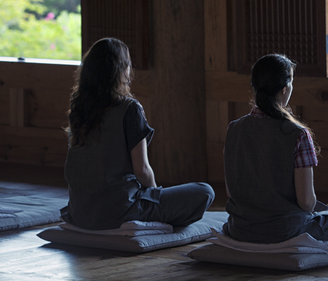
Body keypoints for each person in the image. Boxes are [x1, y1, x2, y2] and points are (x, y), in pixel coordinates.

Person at [223, 53, 328, 248]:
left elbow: (231, 192)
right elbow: (306, 203)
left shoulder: (234, 128)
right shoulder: (296, 134)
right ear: (285, 89)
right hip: (287, 232)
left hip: (239, 229)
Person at [61, 37, 214, 230]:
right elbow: (142, 170)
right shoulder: (128, 109)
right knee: (204, 191)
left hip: (80, 213)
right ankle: (147, 221)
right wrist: (154, 196)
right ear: (121, 70)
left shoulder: (79, 108)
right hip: (121, 211)